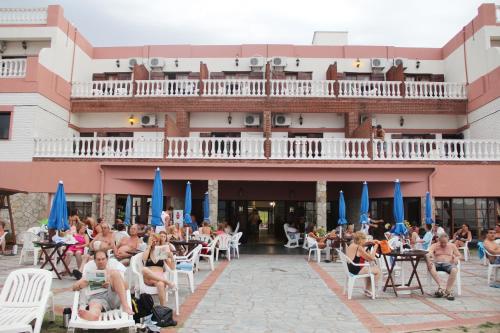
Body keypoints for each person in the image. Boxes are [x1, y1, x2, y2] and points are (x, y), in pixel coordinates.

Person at [72, 250, 133, 321]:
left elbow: (127, 287)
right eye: (98, 259)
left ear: (107, 259)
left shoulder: (113, 272)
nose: (101, 261)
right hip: (98, 298)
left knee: (115, 274)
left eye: (103, 259)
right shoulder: (90, 274)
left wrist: (111, 282)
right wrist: (85, 283)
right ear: (94, 261)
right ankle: (93, 315)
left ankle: (125, 306)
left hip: (112, 297)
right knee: (94, 305)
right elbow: (74, 287)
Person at [141, 234, 176, 306]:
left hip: (159, 277)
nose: (154, 242)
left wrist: (172, 258)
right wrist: (149, 246)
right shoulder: (148, 251)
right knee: (144, 269)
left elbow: (172, 268)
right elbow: (144, 259)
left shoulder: (162, 252)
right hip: (149, 276)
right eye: (152, 241)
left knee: (160, 284)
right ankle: (167, 281)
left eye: (156, 241)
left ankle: (163, 308)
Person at [426, 234, 461, 301]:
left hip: (448, 264)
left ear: (448, 241)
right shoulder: (435, 245)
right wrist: (429, 260)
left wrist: (457, 258)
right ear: (439, 240)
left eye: (445, 242)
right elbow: (428, 253)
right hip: (437, 263)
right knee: (430, 265)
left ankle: (448, 290)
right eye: (441, 242)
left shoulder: (452, 246)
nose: (443, 244)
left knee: (454, 270)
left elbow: (459, 255)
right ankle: (441, 285)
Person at [345, 231, 381, 297]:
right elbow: (371, 258)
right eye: (365, 239)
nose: (365, 240)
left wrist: (372, 241)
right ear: (361, 240)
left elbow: (363, 244)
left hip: (350, 268)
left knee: (368, 269)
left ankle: (367, 290)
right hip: (356, 270)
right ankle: (372, 290)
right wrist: (375, 248)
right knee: (377, 271)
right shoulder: (359, 248)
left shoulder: (352, 244)